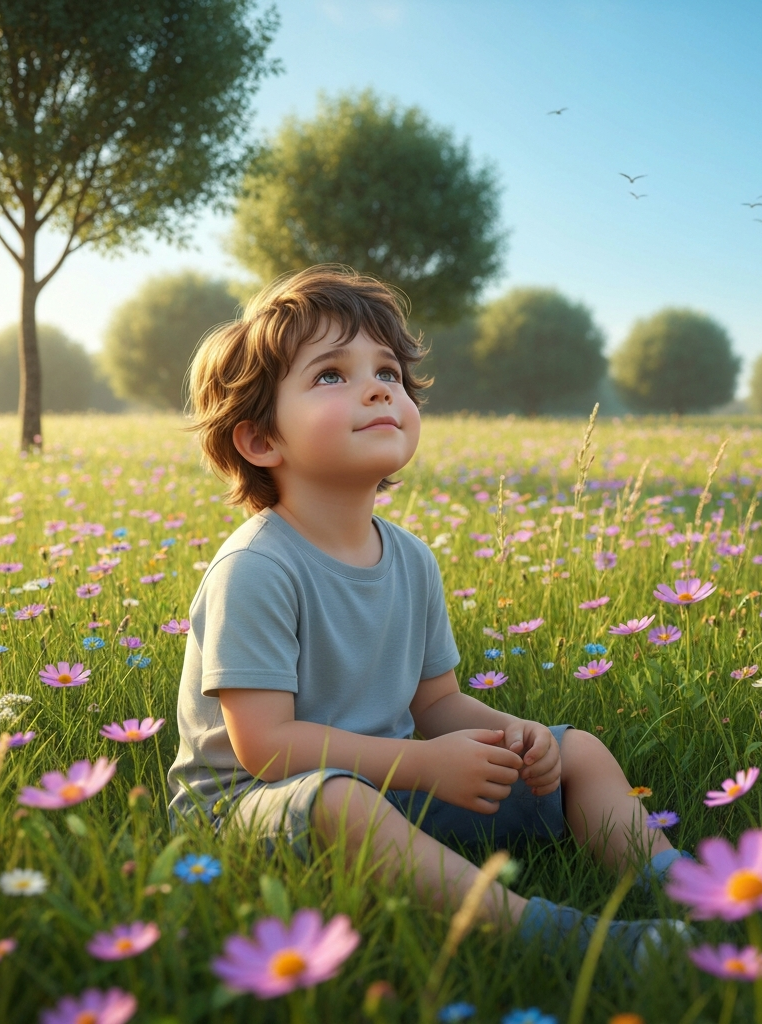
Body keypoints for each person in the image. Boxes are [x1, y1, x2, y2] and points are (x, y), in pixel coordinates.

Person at [167, 266, 689, 963]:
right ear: (262, 440)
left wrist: (516, 735)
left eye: (388, 370)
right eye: (331, 375)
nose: (380, 386)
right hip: (255, 805)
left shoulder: (411, 559)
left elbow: (435, 702)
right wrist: (422, 764)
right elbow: (266, 746)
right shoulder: (258, 567)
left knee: (578, 752)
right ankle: (553, 938)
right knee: (342, 805)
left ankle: (687, 887)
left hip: (393, 780)